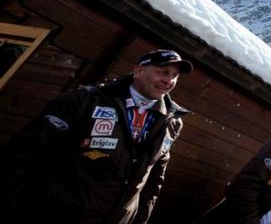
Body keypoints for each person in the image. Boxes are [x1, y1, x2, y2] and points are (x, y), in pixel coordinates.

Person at [1, 49, 192, 224]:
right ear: (138, 71)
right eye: (163, 72)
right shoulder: (83, 100)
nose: (169, 81)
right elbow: (24, 154)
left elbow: (154, 180)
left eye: (174, 76)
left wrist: (140, 220)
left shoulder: (172, 121)